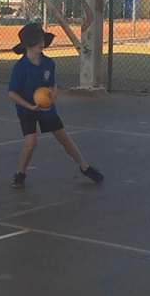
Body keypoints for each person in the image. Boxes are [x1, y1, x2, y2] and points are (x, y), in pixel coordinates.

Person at [6, 23, 104, 188]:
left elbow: (52, 85)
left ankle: (85, 167)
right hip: (27, 109)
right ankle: (20, 173)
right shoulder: (20, 68)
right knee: (31, 142)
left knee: (64, 138)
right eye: (38, 41)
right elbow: (12, 93)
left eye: (42, 40)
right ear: (29, 45)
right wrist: (29, 107)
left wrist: (54, 93)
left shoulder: (49, 64)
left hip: (46, 108)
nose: (42, 43)